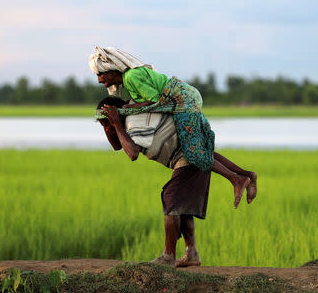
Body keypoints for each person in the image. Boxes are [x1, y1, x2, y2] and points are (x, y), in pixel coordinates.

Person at [97, 96, 256, 267]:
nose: (107, 127)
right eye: (102, 125)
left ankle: (168, 256)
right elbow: (117, 146)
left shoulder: (134, 122)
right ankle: (191, 253)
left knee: (171, 198)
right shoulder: (122, 125)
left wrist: (116, 124)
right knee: (183, 207)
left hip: (187, 157)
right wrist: (109, 125)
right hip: (186, 158)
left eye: (108, 123)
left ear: (121, 113)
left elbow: (132, 153)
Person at [89, 46, 257, 207]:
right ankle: (247, 174)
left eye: (100, 75)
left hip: (183, 101)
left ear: (112, 70)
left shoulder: (131, 77)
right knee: (200, 149)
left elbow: (154, 100)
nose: (99, 80)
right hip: (178, 102)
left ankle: (236, 180)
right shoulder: (128, 81)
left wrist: (123, 111)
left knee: (194, 154)